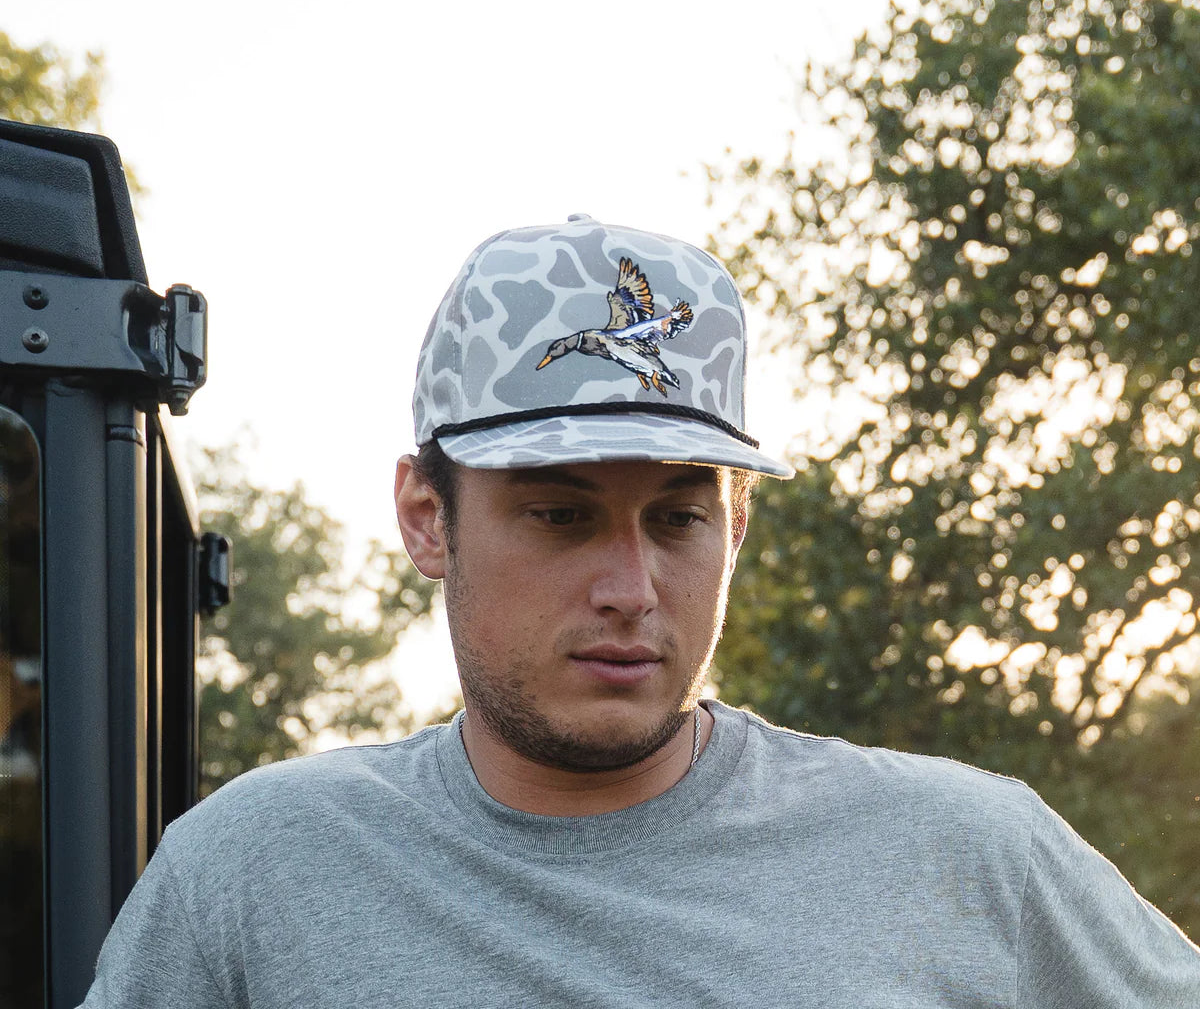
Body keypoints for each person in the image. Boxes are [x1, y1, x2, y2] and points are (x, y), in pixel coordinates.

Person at [82, 215, 1200, 1006]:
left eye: (677, 520)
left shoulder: (968, 854)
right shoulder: (254, 872)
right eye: (560, 516)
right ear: (428, 518)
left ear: (736, 528)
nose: (631, 588)